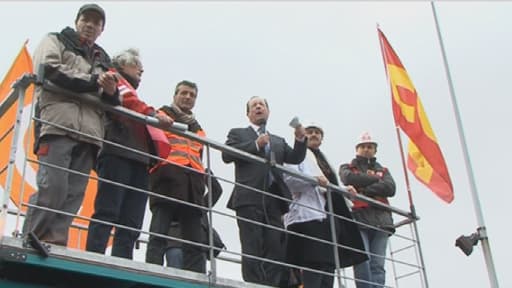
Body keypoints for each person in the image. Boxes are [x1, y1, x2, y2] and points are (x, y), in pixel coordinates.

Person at [23, 3, 119, 246]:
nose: (90, 25)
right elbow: (50, 69)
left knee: (74, 194)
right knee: (52, 187)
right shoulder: (55, 39)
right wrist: (95, 81)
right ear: (77, 21)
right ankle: (31, 238)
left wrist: (109, 90)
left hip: (90, 135)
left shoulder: (104, 58)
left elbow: (113, 97)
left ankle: (54, 243)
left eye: (96, 23)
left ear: (102, 29)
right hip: (57, 125)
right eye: (86, 19)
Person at [85, 48, 174, 259]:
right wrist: (154, 114)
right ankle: (94, 256)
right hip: (117, 151)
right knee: (108, 208)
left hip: (139, 157)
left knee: (132, 217)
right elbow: (130, 103)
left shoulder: (130, 89)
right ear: (123, 65)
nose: (141, 72)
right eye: (137, 68)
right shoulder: (115, 79)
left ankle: (122, 260)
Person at [222, 96, 307, 287]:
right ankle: (253, 284)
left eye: (262, 104)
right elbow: (226, 155)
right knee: (252, 245)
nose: (258, 107)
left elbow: (295, 157)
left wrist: (300, 139)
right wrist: (256, 145)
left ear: (268, 111)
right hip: (248, 198)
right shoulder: (238, 133)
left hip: (274, 200)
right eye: (254, 105)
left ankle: (271, 284)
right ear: (248, 113)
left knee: (275, 247)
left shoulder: (278, 140)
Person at [283, 123, 367, 288]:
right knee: (313, 263)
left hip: (328, 216)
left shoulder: (324, 160)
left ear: (321, 139)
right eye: (310, 132)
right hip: (307, 215)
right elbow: (290, 181)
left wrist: (343, 191)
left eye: (317, 133)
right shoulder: (294, 154)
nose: (314, 135)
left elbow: (328, 184)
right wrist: (313, 180)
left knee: (329, 265)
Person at [145, 80, 206, 273]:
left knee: (194, 239)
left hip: (192, 186)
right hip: (167, 180)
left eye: (192, 95)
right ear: (175, 95)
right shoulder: (161, 115)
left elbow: (198, 156)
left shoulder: (198, 128)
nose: (188, 97)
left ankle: (195, 277)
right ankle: (152, 272)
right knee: (159, 232)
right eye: (184, 93)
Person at [339, 132, 396, 288]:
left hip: (382, 221)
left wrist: (363, 191)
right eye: (363, 146)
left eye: (370, 147)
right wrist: (376, 180)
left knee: (377, 264)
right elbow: (348, 178)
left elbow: (390, 188)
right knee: (362, 261)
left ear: (375, 150)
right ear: (357, 149)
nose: (366, 149)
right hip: (360, 219)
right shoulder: (347, 167)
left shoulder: (383, 169)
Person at [164, 170, 226, 270]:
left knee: (185, 281)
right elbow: (216, 191)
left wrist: (205, 173)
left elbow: (216, 191)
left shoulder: (200, 203)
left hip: (192, 247)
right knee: (180, 281)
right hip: (179, 246)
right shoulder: (177, 197)